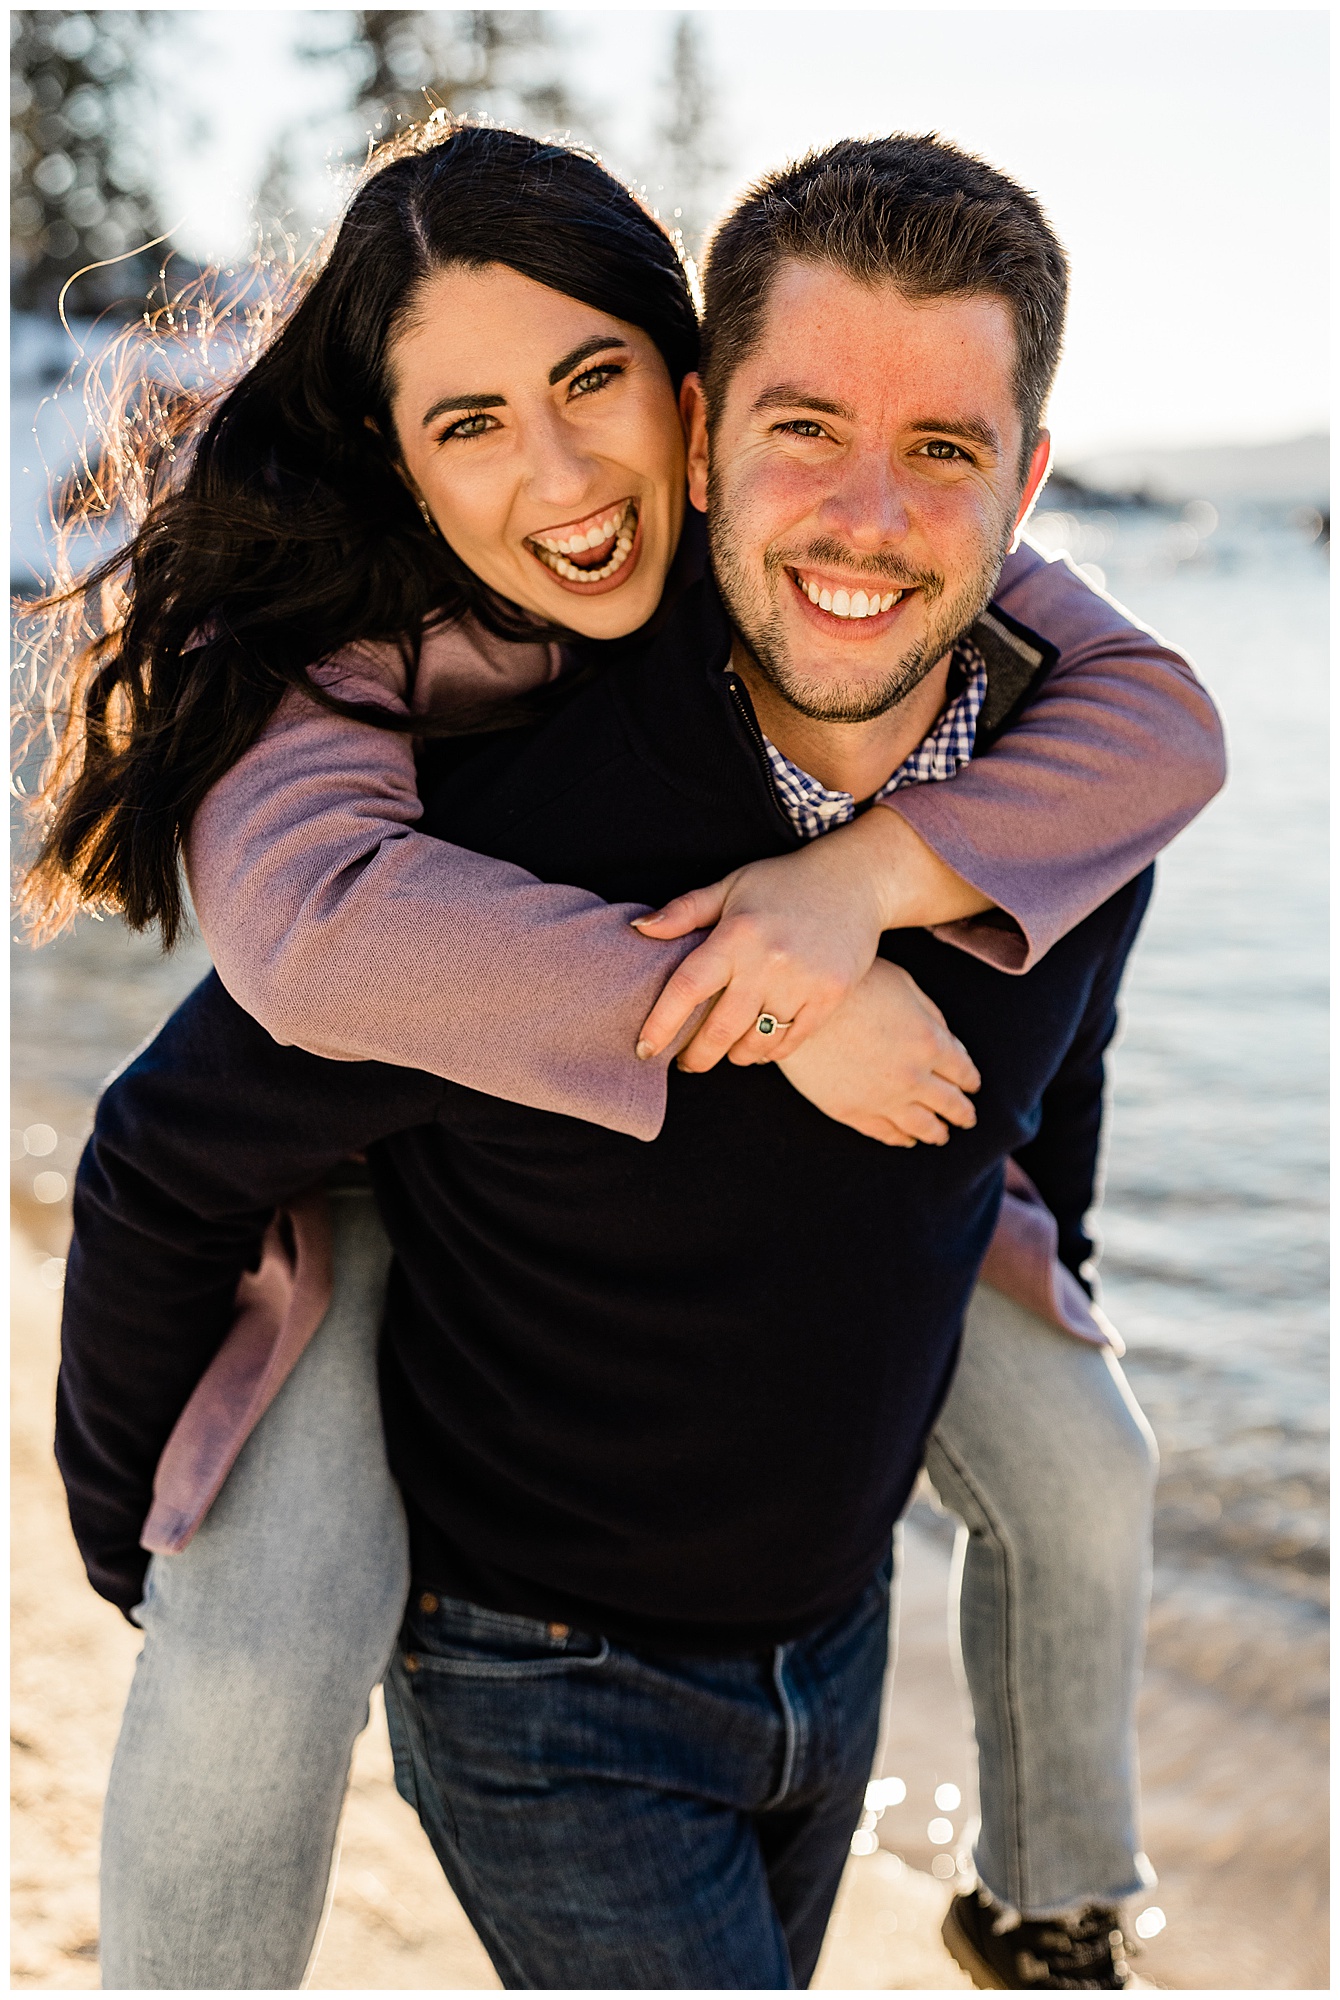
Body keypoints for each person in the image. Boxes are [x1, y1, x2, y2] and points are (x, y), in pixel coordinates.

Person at [49, 129, 1211, 1989]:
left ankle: (1055, 1899)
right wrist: (125, 1515)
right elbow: (210, 1088)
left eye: (943, 452)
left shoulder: (1048, 790)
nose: (864, 510)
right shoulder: (453, 814)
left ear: (670, 406)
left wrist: (901, 993)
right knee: (255, 1642)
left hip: (830, 1643)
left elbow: (1065, 1041)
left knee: (1089, 1449)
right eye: (806, 428)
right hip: (541, 1670)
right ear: (722, 428)